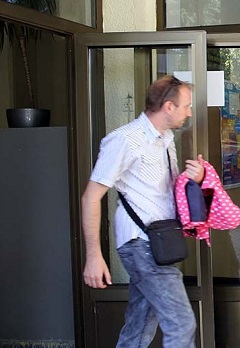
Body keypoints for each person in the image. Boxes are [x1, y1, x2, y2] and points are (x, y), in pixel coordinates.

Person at [81, 75, 205, 347]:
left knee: (139, 326)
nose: (189, 112)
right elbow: (91, 197)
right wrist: (94, 256)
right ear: (168, 107)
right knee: (181, 323)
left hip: (158, 244)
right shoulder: (124, 140)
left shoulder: (166, 138)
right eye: (186, 106)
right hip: (141, 245)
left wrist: (194, 180)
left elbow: (166, 192)